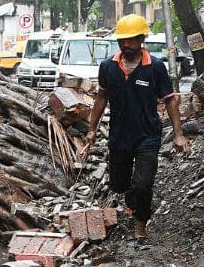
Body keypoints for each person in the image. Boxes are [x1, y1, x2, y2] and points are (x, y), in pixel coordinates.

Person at [78, 15, 191, 243]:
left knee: (143, 183)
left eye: (131, 40)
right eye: (122, 41)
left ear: (141, 39)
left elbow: (170, 100)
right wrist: (91, 130)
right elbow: (101, 97)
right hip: (119, 136)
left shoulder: (156, 67)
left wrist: (179, 135)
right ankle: (133, 200)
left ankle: (140, 224)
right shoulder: (108, 66)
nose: (126, 45)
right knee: (120, 185)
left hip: (147, 135)